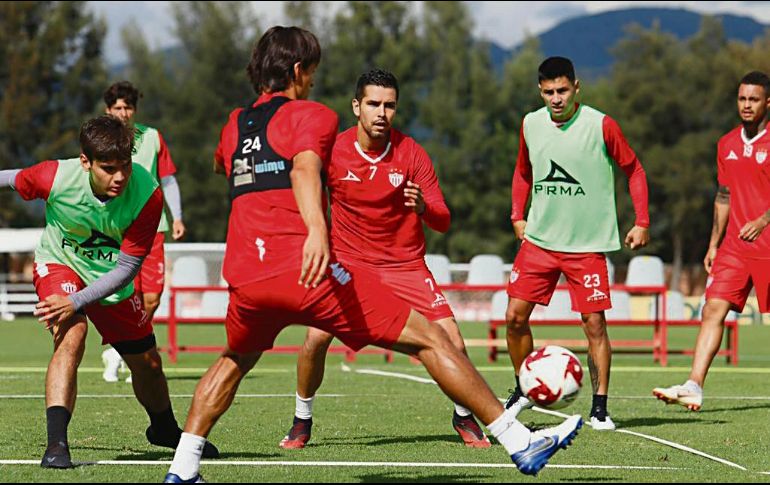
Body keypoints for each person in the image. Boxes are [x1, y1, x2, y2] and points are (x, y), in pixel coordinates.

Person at [163, 26, 583, 483]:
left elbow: (221, 162)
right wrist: (318, 232)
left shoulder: (235, 123)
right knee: (430, 340)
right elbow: (305, 168)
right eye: (313, 72)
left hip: (245, 274)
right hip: (302, 269)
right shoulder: (314, 116)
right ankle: (520, 442)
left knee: (233, 361)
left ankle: (183, 469)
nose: (314, 82)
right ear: (299, 70)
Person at [277, 68, 490, 450]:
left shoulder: (412, 153)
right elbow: (301, 188)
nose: (381, 112)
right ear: (356, 106)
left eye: (389, 105)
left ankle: (463, 414)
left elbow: (443, 219)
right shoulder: (333, 150)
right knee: (314, 338)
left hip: (406, 266)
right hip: (349, 265)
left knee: (453, 340)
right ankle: (301, 420)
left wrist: (425, 207)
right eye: (373, 104)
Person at [0, 115, 217, 469]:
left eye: (125, 166)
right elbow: (10, 178)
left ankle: (163, 429)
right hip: (60, 263)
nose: (119, 177)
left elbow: (126, 269)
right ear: (85, 161)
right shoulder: (54, 176)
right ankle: (56, 445)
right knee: (72, 335)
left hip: (110, 278)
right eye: (108, 168)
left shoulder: (147, 194)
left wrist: (77, 300)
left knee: (148, 363)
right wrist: (72, 303)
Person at [504, 56, 650, 431]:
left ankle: (600, 408)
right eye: (549, 92)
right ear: (540, 91)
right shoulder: (530, 124)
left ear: (576, 87)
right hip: (539, 241)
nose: (556, 98)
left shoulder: (601, 125)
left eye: (563, 90)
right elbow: (522, 172)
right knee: (514, 317)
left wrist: (642, 221)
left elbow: (634, 169)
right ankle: (525, 387)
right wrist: (517, 215)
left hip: (586, 246)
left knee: (593, 324)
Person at [653, 71, 770, 411]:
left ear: (767, 103)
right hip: (735, 247)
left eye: (753, 99)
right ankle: (694, 384)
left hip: (767, 243)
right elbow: (723, 195)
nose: (746, 105)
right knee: (712, 309)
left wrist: (763, 220)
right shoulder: (727, 144)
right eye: (742, 99)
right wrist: (714, 244)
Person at [100, 81, 187, 383]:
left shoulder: (152, 138)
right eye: (117, 108)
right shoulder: (99, 141)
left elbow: (169, 179)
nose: (123, 113)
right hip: (114, 228)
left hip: (153, 226)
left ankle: (122, 348)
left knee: (152, 297)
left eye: (128, 107)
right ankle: (120, 351)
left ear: (134, 110)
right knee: (123, 294)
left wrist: (177, 216)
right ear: (108, 110)